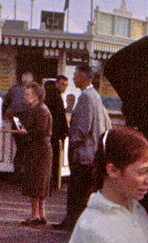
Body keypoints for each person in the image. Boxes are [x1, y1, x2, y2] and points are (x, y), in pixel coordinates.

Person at [53, 63, 110, 231]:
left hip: (84, 153)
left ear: (84, 77)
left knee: (77, 190)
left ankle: (72, 221)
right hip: (91, 152)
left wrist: (74, 143)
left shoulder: (86, 97)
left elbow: (83, 127)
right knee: (84, 191)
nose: (73, 78)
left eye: (75, 75)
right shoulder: (95, 96)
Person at [14, 82, 53, 226]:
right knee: (40, 181)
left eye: (28, 94)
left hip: (39, 150)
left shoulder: (40, 110)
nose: (25, 96)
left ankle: (35, 214)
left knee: (36, 181)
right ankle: (41, 213)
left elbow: (41, 131)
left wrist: (26, 132)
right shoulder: (38, 109)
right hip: (40, 149)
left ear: (36, 96)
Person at [2, 71, 34, 178]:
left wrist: (4, 115)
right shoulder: (32, 91)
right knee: (27, 149)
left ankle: (18, 173)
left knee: (20, 149)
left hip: (16, 121)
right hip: (28, 121)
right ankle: (25, 173)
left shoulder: (13, 89)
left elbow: (5, 104)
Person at [44, 75, 70, 190]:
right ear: (57, 83)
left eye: (66, 85)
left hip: (53, 133)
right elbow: (59, 117)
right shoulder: (55, 97)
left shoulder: (52, 95)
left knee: (53, 158)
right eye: (62, 84)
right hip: (56, 134)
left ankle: (52, 181)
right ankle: (53, 181)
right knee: (55, 158)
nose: (64, 87)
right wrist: (65, 131)